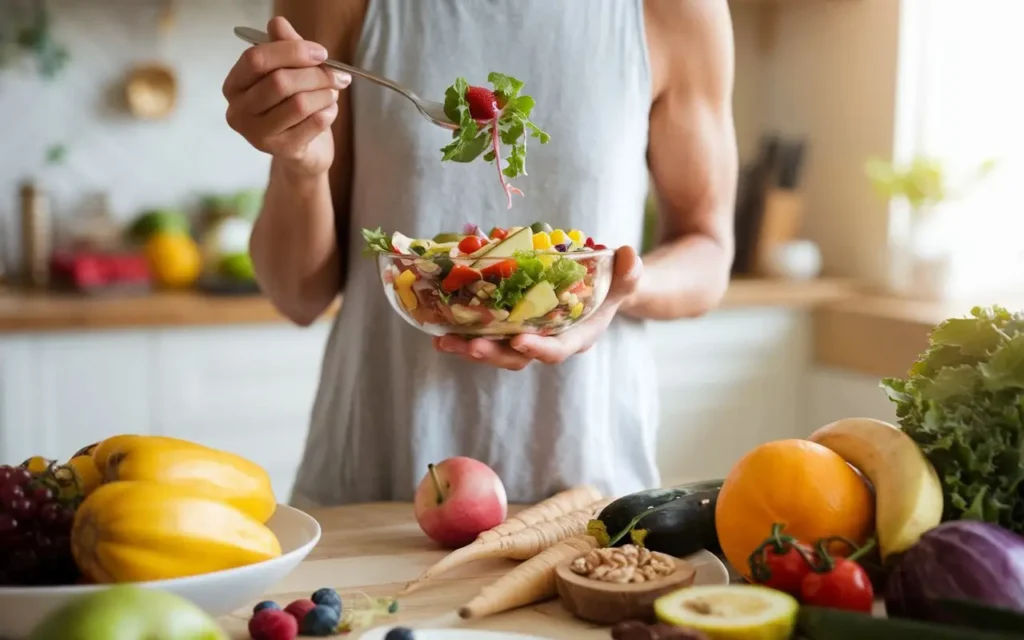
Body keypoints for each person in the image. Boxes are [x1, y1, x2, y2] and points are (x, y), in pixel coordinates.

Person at [222, 0, 738, 508]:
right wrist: (300, 168)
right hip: (379, 472)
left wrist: (611, 287)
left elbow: (708, 251)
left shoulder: (678, 10)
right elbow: (298, 296)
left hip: (584, 479)